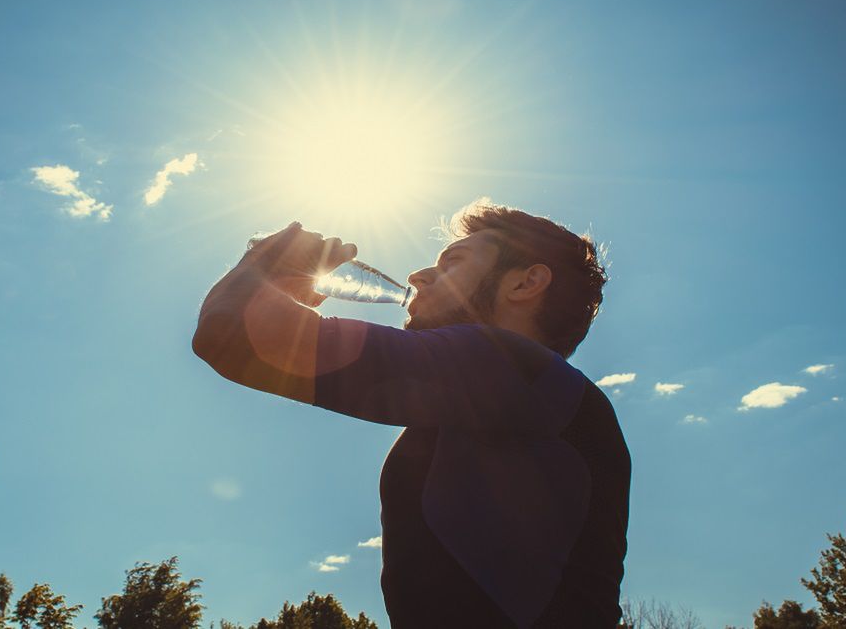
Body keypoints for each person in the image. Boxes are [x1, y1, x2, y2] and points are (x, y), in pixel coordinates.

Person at [192, 199, 630, 628]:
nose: (418, 276)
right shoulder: (509, 393)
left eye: (452, 262)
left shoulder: (511, 365)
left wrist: (264, 262)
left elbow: (233, 334)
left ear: (524, 284)